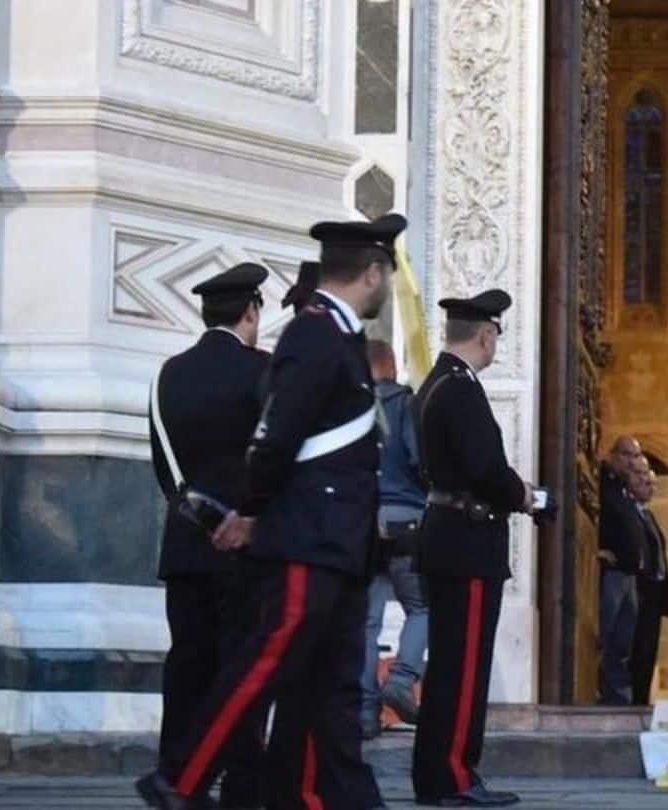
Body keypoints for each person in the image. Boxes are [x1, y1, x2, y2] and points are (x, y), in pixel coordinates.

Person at [136, 214, 406, 810]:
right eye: (387, 271)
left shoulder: (173, 374)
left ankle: (323, 796)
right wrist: (251, 511)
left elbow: (169, 464)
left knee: (330, 688)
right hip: (304, 535)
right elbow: (275, 439)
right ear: (372, 272)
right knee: (259, 664)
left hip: (327, 541)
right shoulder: (313, 337)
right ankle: (182, 779)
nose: (388, 283)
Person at [147, 263, 270, 809]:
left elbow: (162, 465)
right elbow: (272, 456)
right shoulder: (262, 370)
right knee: (240, 666)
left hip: (186, 540)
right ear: (251, 312)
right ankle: (243, 782)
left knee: (188, 662)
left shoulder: (167, 374)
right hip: (245, 542)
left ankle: (176, 773)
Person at [412, 290, 541, 807]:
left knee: (447, 663)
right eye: (493, 337)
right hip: (466, 543)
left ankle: (435, 774)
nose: (493, 347)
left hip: (449, 536)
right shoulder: (461, 390)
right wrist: (525, 496)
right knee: (463, 667)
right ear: (485, 335)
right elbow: (486, 468)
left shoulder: (434, 383)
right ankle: (453, 775)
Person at [360, 339, 429, 739]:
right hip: (407, 520)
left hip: (365, 525)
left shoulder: (351, 407)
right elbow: (421, 460)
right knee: (422, 607)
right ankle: (402, 680)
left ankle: (365, 710)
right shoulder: (406, 404)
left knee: (366, 622)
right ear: (393, 364)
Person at [596, 435, 649, 705]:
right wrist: (597, 550)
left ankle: (619, 702)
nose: (632, 462)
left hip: (629, 577)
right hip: (613, 577)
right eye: (628, 456)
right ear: (612, 454)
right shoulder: (600, 481)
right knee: (603, 639)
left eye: (636, 456)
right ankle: (595, 696)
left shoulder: (623, 489)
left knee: (622, 645)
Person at [629, 465, 668, 706]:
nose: (651, 487)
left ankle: (641, 699)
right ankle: (632, 702)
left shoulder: (648, 515)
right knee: (635, 650)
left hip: (654, 597)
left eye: (653, 483)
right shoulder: (629, 512)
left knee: (648, 652)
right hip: (639, 592)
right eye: (646, 481)